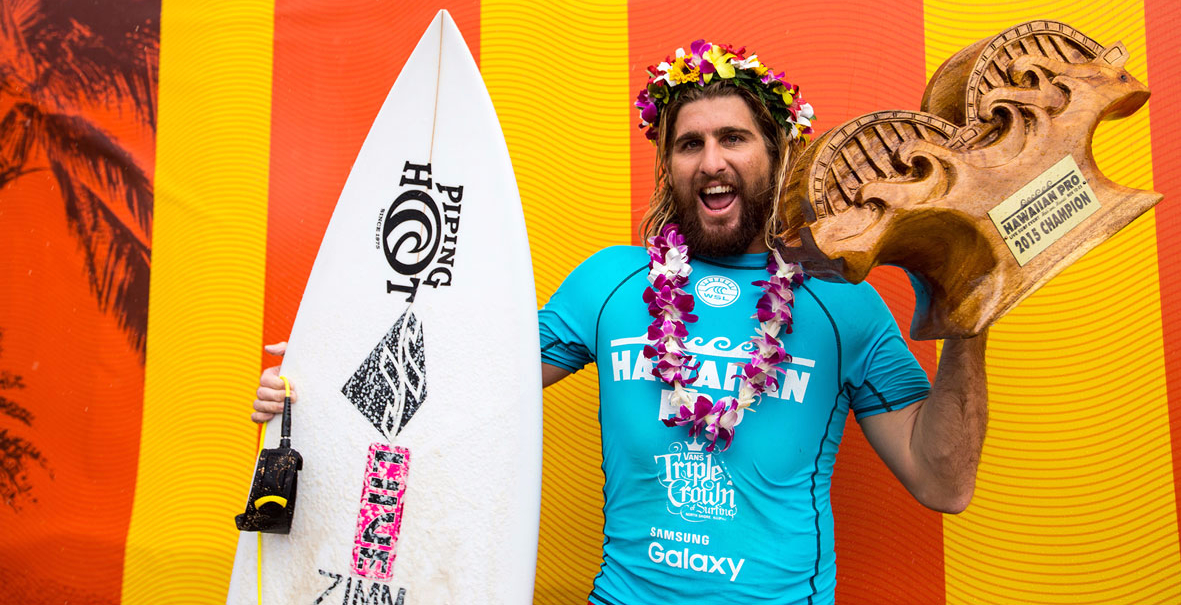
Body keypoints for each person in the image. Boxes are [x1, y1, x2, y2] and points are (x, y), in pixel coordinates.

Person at [253, 41, 988, 604]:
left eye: (734, 138)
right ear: (668, 165)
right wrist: (317, 385)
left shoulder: (842, 299)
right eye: (688, 143)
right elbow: (460, 386)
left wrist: (970, 308)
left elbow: (942, 481)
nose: (711, 159)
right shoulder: (609, 283)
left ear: (776, 152)